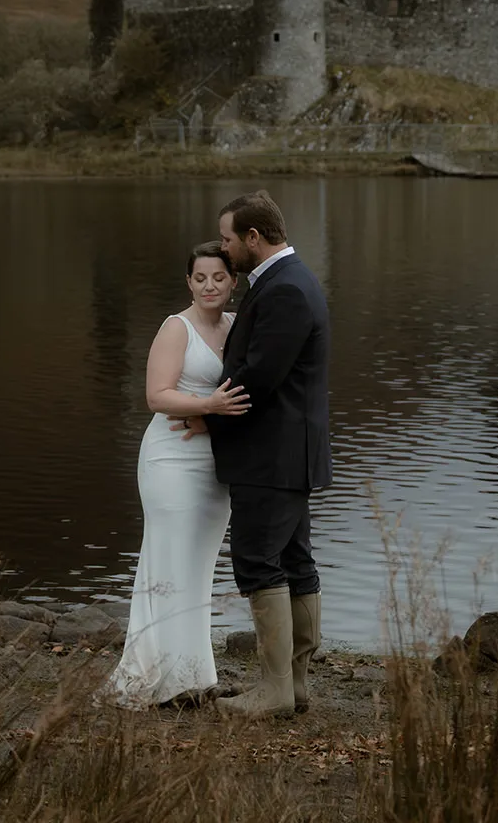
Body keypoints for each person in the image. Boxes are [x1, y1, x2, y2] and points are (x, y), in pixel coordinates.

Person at [175, 189, 332, 718]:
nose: (224, 249)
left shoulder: (285, 289)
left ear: (253, 238)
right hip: (287, 452)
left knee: (261, 562)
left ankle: (276, 690)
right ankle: (295, 685)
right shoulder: (288, 281)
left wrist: (208, 413)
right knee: (293, 560)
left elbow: (259, 377)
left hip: (272, 455)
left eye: (227, 239)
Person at [107, 241, 252, 706]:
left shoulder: (235, 325)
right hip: (171, 458)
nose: (210, 286)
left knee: (198, 567)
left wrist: (216, 418)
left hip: (216, 464)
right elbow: (157, 395)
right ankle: (154, 678)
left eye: (219, 277)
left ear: (233, 282)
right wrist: (207, 405)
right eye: (200, 278)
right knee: (168, 561)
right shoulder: (176, 328)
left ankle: (193, 675)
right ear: (189, 282)